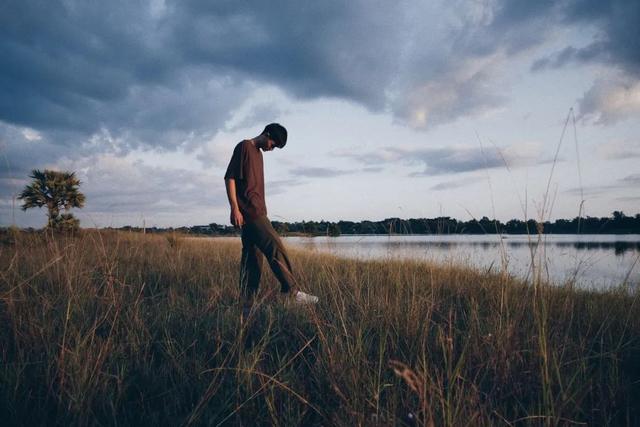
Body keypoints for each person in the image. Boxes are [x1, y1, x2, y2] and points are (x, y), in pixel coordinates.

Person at [224, 123, 319, 305]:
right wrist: (234, 207)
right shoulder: (244, 146)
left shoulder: (259, 155)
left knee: (252, 257)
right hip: (251, 212)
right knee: (276, 247)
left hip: (257, 210)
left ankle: (246, 301)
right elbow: (230, 178)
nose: (272, 149)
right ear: (267, 134)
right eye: (273, 144)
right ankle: (293, 292)